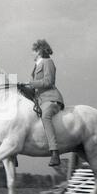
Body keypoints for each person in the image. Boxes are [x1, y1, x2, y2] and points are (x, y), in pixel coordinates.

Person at [28, 39, 64, 167]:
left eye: (33, 51)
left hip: (51, 99)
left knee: (45, 116)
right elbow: (35, 88)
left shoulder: (48, 62)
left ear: (38, 51)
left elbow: (49, 81)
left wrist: (31, 84)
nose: (31, 53)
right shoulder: (36, 65)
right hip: (40, 100)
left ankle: (55, 152)